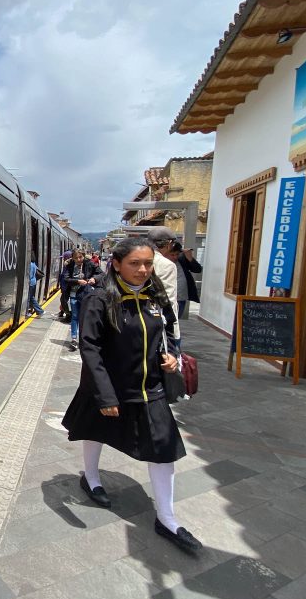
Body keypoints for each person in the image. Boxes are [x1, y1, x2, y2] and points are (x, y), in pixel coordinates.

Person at [61, 237, 201, 554]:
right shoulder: (100, 299)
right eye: (135, 263)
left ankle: (167, 518)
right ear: (117, 265)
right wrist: (105, 395)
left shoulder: (156, 296)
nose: (142, 269)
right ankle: (92, 478)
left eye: (148, 263)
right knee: (94, 429)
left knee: (164, 448)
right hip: (110, 384)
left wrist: (172, 357)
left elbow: (168, 332)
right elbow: (91, 348)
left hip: (150, 387)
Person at [60, 249, 102, 351]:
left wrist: (94, 279)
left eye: (80, 257)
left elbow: (101, 274)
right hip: (73, 295)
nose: (78, 259)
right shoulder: (69, 265)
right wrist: (77, 281)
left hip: (86, 295)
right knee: (75, 317)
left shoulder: (90, 264)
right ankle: (74, 339)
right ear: (72, 258)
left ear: (83, 256)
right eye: (76, 258)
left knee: (85, 318)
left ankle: (83, 338)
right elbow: (65, 279)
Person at [147, 226, 179, 344]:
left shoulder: (136, 259)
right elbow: (168, 298)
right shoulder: (167, 265)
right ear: (168, 244)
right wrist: (172, 326)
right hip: (159, 320)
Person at [177, 245, 203, 317]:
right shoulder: (160, 260)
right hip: (166, 296)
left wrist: (190, 258)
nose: (175, 256)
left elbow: (198, 269)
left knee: (176, 320)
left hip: (181, 296)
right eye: (172, 254)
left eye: (177, 254)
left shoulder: (181, 259)